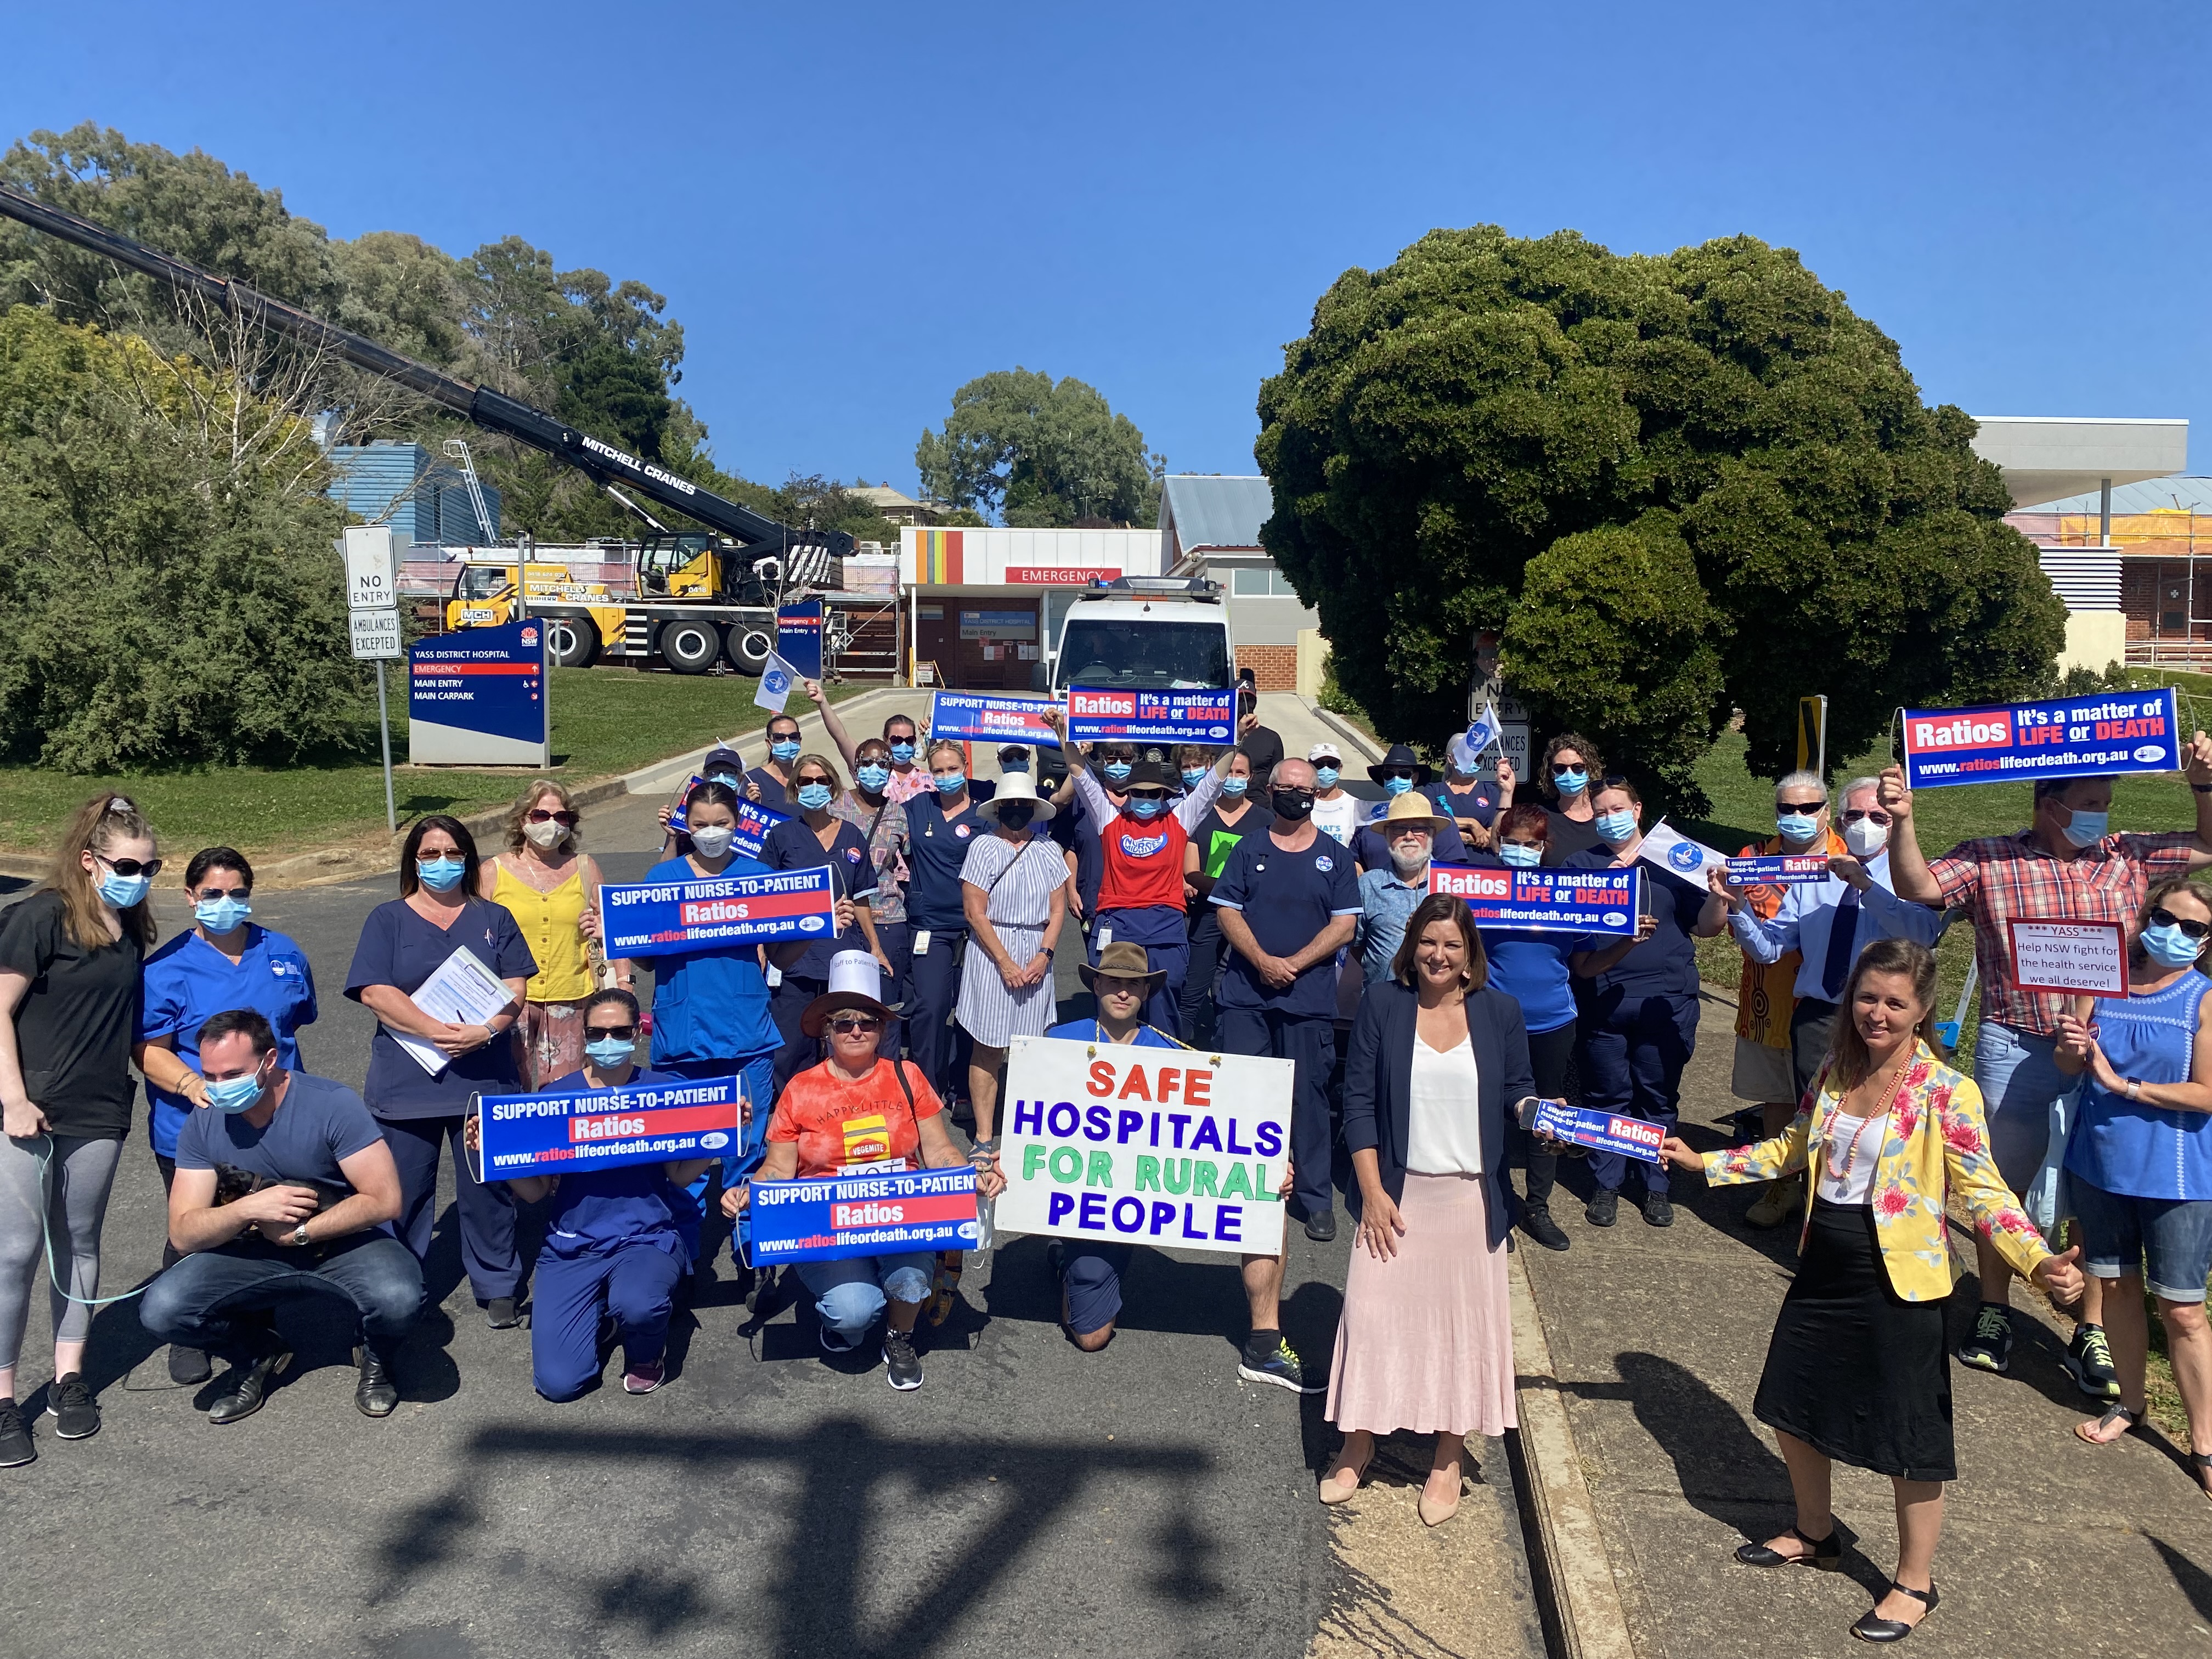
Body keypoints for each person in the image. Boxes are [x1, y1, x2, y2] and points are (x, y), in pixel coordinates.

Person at [1655, 939, 2083, 1643]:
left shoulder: (1948, 1092)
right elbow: (1795, 1147)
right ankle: (1816, 1533)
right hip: (1823, 1264)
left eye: (1895, 1003)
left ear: (1921, 1012)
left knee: (1907, 1436)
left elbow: (1984, 1192)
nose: (1876, 1014)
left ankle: (1915, 1583)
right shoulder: (1834, 1067)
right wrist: (1707, 1163)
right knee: (1790, 1407)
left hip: (1899, 1282)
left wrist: (2037, 1263)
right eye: (1867, 998)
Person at [1880, 735, 2212, 1388]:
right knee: (1995, 1182)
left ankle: (2091, 1325)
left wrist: (2204, 784)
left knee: (2093, 1187)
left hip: (2105, 1055)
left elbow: (2207, 845)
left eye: (2108, 803)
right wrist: (1904, 819)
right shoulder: (1990, 859)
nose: (2103, 816)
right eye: (2090, 804)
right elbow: (1918, 885)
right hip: (2017, 1043)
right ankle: (1995, 1308)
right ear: (2049, 805)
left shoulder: (2128, 856)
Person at [1326, 894, 1531, 1525]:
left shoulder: (1499, 1012)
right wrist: (1372, 1191)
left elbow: (1518, 1092)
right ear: (1411, 949)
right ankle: (1358, 1440)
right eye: (1428, 942)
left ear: (1470, 958)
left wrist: (1539, 1118)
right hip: (1397, 1191)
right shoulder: (1386, 1006)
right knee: (1371, 1313)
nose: (1438, 955)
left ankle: (1447, 1455)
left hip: (1470, 1199)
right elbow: (1357, 1097)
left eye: (1452, 945)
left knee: (1461, 1332)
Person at [723, 953, 1002, 1388]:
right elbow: (778, 1167)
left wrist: (973, 1173)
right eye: (844, 1022)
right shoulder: (800, 1089)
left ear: (883, 1029)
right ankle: (845, 1318)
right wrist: (750, 1192)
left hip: (901, 1217)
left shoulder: (907, 1076)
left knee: (910, 1281)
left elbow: (940, 1151)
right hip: (827, 1223)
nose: (856, 1030)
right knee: (854, 1313)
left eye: (868, 1021)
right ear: (827, 1032)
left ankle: (899, 1334)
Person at [139, 1009, 418, 1427]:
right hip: (254, 1246)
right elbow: (182, 1233)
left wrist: (301, 1233)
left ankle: (376, 1354)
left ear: (269, 1061)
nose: (219, 1089)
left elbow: (384, 1200)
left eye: (232, 1074)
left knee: (399, 1298)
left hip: (341, 1240)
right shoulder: (203, 1121)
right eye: (210, 1076)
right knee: (162, 1309)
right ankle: (257, 1353)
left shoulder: (331, 1105)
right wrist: (246, 1209)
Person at [1712, 776, 1947, 1228]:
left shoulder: (1910, 877)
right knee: (1819, 1121)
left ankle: (1873, 1218)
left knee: (1874, 1126)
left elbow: (1924, 934)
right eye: (1855, 815)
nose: (1865, 825)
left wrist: (1867, 887)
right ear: (1839, 821)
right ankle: (1815, 1216)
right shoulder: (1814, 873)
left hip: (1885, 1023)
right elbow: (1771, 948)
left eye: (1878, 817)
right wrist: (1738, 909)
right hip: (1820, 1018)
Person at [0, 794, 158, 1465]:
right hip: (28, 1113)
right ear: (90, 861)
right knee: (14, 1254)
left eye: (151, 869)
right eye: (128, 866)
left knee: (80, 1246)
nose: (140, 879)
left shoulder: (130, 929)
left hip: (99, 1114)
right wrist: (12, 1098)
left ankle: (70, 1379)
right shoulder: (37, 918)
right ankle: (5, 1400)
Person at [642, 780, 845, 1279]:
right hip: (681, 1036)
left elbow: (780, 956)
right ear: (685, 826)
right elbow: (645, 956)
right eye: (700, 825)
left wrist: (812, 928)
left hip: (747, 1034)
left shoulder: (759, 878)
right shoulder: (661, 878)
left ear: (739, 825)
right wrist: (608, 932)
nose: (711, 833)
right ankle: (681, 1256)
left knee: (748, 1148)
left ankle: (754, 1252)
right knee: (681, 1151)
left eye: (722, 824)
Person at [467, 989, 711, 1400]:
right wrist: (496, 1158)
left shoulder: (665, 1092)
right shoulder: (554, 1097)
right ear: (583, 1035)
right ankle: (601, 1315)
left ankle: (646, 1352)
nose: (608, 1041)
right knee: (559, 1384)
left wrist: (719, 1137)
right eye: (597, 1033)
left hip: (645, 1238)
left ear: (637, 1034)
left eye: (618, 1032)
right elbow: (536, 1193)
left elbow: (681, 1178)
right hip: (573, 1247)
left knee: (640, 1303)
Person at [133, 845, 318, 1385]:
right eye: (212, 894)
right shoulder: (166, 969)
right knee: (195, 1232)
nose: (225, 903)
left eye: (237, 893)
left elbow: (293, 1027)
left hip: (275, 1124)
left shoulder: (283, 953)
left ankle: (257, 1329)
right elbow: (147, 1049)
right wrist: (193, 1084)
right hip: (194, 1127)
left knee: (265, 1227)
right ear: (191, 898)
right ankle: (192, 1328)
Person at [344, 815, 535, 1329]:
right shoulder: (387, 919)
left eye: (452, 852)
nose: (442, 863)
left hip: (484, 1075)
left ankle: (497, 1281)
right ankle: (398, 1286)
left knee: (488, 1188)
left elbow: (516, 988)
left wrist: (489, 1030)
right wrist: (435, 1029)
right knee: (401, 1191)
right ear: (413, 862)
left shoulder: (494, 917)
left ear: (468, 858)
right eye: (429, 854)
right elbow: (374, 992)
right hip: (408, 1083)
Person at [2056, 878, 2212, 1487]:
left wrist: (2125, 1087)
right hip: (2099, 1164)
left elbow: (2207, 1094)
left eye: (2193, 928)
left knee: (2182, 1311)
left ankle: (2204, 1440)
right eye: (2164, 916)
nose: (2173, 932)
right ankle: (2133, 1404)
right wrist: (2071, 1043)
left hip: (2177, 1177)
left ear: (2206, 943)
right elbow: (2070, 1064)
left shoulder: (2203, 1000)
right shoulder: (2101, 981)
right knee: (2117, 1291)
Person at [1212, 756, 1362, 1391]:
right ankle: (1238, 1186)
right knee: (1245, 1104)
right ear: (1270, 793)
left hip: (1305, 998)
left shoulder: (1334, 855)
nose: (1297, 796)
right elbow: (1226, 911)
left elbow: (1345, 924)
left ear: (1317, 796)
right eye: (1288, 789)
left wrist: (1294, 964)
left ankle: (1316, 1200)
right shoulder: (1248, 849)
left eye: (1306, 790)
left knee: (1307, 1100)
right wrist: (1263, 961)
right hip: (1247, 995)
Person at [1479, 805, 1656, 1251]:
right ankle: (1495, 1202)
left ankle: (1537, 1206)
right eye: (1513, 843)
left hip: (1554, 1021)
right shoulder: (1479, 894)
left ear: (1545, 848)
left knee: (1548, 1116)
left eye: (1531, 844)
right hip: (1493, 1021)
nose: (1522, 851)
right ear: (1499, 842)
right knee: (1488, 1114)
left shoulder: (1567, 896)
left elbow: (1586, 966)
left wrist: (1625, 944)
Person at [1566, 775, 1726, 1228]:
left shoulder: (1673, 862)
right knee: (1607, 1096)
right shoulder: (1581, 865)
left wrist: (1719, 898)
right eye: (1600, 812)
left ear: (1637, 811)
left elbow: (1708, 926)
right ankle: (1607, 1183)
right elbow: (1576, 944)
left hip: (1665, 1001)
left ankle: (1656, 1184)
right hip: (1603, 1003)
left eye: (1618, 809)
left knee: (1657, 1097)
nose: (1609, 819)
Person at [1042, 943, 1188, 1351]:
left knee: (1095, 1330)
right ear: (1097, 985)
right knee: (1092, 1338)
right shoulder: (1058, 1041)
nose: (1123, 992)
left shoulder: (1173, 1055)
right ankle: (1066, 1260)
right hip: (1077, 1195)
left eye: (1133, 985)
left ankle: (1084, 1257)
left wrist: (1263, 1168)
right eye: (1114, 982)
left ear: (1145, 993)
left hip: (1134, 1198)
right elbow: (1031, 1118)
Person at [1054, 714, 1231, 1037]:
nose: (1146, 800)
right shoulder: (1109, 818)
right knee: (1114, 1012)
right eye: (1139, 793)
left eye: (1154, 795)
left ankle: (1162, 1076)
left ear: (1165, 795)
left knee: (1164, 1010)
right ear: (1128, 793)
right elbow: (1082, 776)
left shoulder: (1179, 819)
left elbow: (1213, 783)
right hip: (1117, 922)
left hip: (1166, 924)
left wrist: (1238, 742)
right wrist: (1063, 736)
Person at [1725, 771, 1845, 1228]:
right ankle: (1781, 1185)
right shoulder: (1752, 859)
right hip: (1766, 998)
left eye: (1808, 808)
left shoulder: (1847, 858)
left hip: (1827, 1003)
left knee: (1831, 1103)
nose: (1797, 817)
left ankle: (1825, 1194)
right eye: (1787, 809)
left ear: (1826, 812)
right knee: (1776, 1099)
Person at [480, 779, 627, 1090]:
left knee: (564, 1093)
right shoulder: (493, 872)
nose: (552, 823)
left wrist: (623, 988)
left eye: (562, 817)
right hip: (508, 1000)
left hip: (572, 998)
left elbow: (613, 931)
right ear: (523, 820)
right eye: (541, 816)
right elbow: (475, 938)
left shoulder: (585, 868)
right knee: (507, 1089)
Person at [956, 771, 1070, 1150]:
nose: (1017, 811)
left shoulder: (1049, 850)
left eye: (1024, 805)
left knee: (1029, 1050)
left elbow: (1058, 910)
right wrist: (1004, 962)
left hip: (1037, 950)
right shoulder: (982, 848)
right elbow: (975, 912)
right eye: (1011, 806)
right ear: (999, 809)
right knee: (988, 1047)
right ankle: (985, 1137)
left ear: (1034, 809)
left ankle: (1025, 1135)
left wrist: (1045, 954)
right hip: (992, 952)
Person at [761, 753, 883, 1094]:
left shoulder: (852, 836)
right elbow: (765, 899)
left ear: (833, 786)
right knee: (791, 1048)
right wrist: (762, 948)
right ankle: (789, 1112)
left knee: (845, 1039)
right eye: (806, 782)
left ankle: (842, 1105)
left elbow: (861, 898)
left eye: (821, 781)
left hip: (842, 956)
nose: (814, 788)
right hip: (795, 958)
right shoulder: (782, 837)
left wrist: (875, 948)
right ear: (794, 787)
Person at [903, 741, 991, 1111]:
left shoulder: (983, 817)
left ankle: (966, 1088)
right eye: (937, 771)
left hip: (975, 926)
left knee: (972, 1010)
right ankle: (926, 1088)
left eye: (952, 769)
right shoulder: (915, 808)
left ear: (965, 766)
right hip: (929, 926)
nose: (945, 777)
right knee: (931, 1006)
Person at [1180, 746, 1273, 1048]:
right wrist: (1233, 890)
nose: (1233, 778)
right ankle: (1178, 1047)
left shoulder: (1265, 820)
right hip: (1206, 915)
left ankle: (1226, 1051)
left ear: (1251, 777)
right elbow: (1191, 872)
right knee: (1193, 990)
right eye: (1228, 772)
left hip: (1250, 920)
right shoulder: (1199, 814)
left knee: (1234, 991)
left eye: (1240, 773)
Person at [829, 734, 913, 1057]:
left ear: (891, 769)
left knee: (887, 1010)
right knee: (846, 1011)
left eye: (882, 764)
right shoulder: (836, 808)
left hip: (889, 920)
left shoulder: (899, 814)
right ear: (856, 766)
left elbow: (913, 862)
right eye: (867, 763)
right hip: (845, 920)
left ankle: (889, 1081)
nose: (874, 769)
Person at [1355, 793, 1447, 984]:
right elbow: (1356, 946)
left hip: (1437, 1005)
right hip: (1381, 1004)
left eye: (1419, 829)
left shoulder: (1452, 883)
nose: (1409, 836)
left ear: (1432, 834)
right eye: (1399, 829)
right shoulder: (1368, 884)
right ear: (1387, 835)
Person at [809, 681, 934, 806]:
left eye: (909, 740)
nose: (903, 745)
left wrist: (933, 735)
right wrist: (823, 702)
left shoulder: (925, 778)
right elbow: (841, 737)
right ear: (886, 740)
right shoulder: (872, 770)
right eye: (896, 740)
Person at [1350, 744, 1469, 871]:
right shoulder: (1369, 816)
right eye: (1389, 774)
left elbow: (1452, 865)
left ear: (1415, 777)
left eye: (1404, 773)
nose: (1396, 779)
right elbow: (1355, 860)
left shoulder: (1437, 816)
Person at [656, 744, 759, 859]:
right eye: (713, 772)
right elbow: (667, 871)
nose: (721, 777)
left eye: (729, 772)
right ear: (704, 777)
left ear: (741, 778)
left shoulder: (755, 813)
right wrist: (673, 836)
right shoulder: (691, 814)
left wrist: (757, 811)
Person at [1426, 736, 1515, 853]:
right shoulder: (1433, 790)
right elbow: (1433, 826)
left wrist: (1460, 835)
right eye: (1467, 757)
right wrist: (1472, 824)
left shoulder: (1490, 792)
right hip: (1446, 865)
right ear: (1451, 759)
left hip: (1483, 865)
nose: (1472, 761)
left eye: (1477, 758)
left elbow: (1496, 839)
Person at [1539, 733, 1606, 865]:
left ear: (1589, 770)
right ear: (1552, 773)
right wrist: (1507, 793)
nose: (1569, 774)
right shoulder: (1541, 817)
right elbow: (1500, 846)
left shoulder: (1608, 816)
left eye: (1578, 768)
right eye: (1560, 768)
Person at [1306, 741, 1363, 850]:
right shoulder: (1302, 803)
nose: (1326, 769)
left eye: (1332, 764)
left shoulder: (1356, 806)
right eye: (1319, 765)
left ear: (1340, 768)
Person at [749, 710, 808, 810]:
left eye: (793, 737)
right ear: (769, 743)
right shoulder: (753, 781)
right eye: (780, 738)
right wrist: (753, 806)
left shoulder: (808, 779)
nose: (787, 742)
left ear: (800, 741)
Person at [1237, 674, 1285, 790]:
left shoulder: (1272, 738)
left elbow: (1278, 779)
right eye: (1240, 700)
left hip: (1260, 803)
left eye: (1250, 700)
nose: (1246, 704)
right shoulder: (1218, 736)